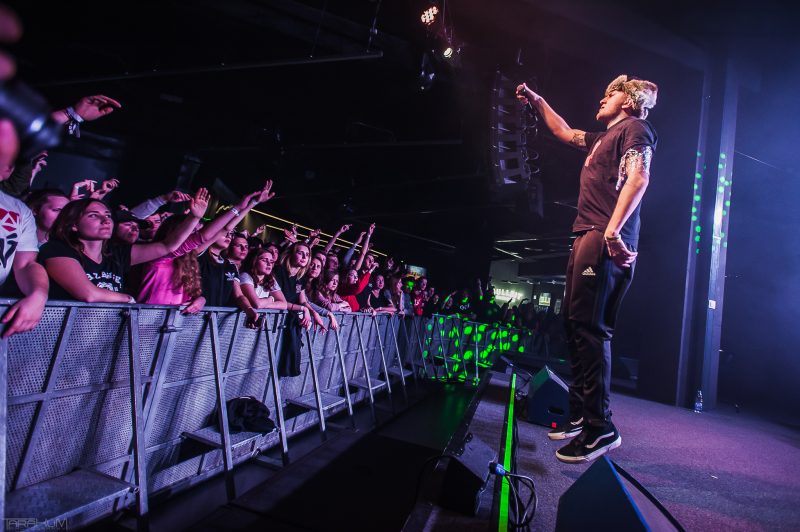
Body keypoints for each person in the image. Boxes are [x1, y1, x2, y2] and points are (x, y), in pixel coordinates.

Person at [517, 74, 658, 463]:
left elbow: (639, 177)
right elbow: (564, 132)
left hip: (603, 235)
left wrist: (613, 231)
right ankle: (580, 414)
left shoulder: (635, 129)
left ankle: (600, 427)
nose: (601, 98)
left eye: (610, 93)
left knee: (591, 329)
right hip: (588, 235)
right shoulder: (601, 138)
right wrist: (538, 100)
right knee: (574, 323)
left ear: (628, 101)